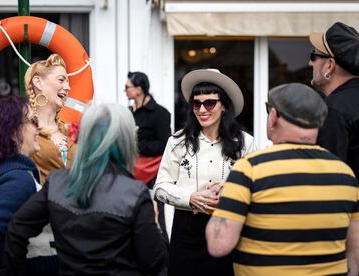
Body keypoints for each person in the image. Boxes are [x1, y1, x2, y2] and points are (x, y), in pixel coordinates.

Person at [206, 83, 359, 276]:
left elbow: (218, 245)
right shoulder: (345, 175)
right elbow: (356, 254)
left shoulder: (250, 169)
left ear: (274, 116)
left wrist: (227, 199)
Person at [2, 103, 168, 275]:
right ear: (126, 141)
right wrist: (156, 225)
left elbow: (16, 230)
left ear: (84, 138)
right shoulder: (135, 194)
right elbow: (154, 264)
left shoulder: (56, 183)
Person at [153, 68, 256, 275]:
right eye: (196, 103)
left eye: (209, 103)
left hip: (228, 227)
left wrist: (230, 188)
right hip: (186, 231)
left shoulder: (244, 142)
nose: (202, 109)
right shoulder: (177, 142)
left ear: (224, 106)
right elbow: (159, 188)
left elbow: (255, 187)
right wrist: (191, 198)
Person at [0, 96, 58, 275]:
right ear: (13, 131)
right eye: (32, 121)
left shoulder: (0, 174)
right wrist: (1, 271)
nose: (39, 128)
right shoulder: (17, 180)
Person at [308, 22, 359, 178]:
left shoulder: (334, 110)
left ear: (329, 65)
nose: (310, 63)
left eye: (313, 56)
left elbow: (329, 178)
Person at [25, 53, 76, 183]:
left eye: (67, 82)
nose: (68, 87)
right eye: (61, 80)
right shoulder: (24, 129)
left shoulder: (69, 130)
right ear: (38, 82)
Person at [125, 71, 171, 188]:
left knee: (152, 205)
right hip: (133, 169)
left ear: (138, 90)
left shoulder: (160, 113)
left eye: (127, 87)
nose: (124, 90)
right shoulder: (129, 111)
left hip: (152, 173)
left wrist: (138, 146)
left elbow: (165, 144)